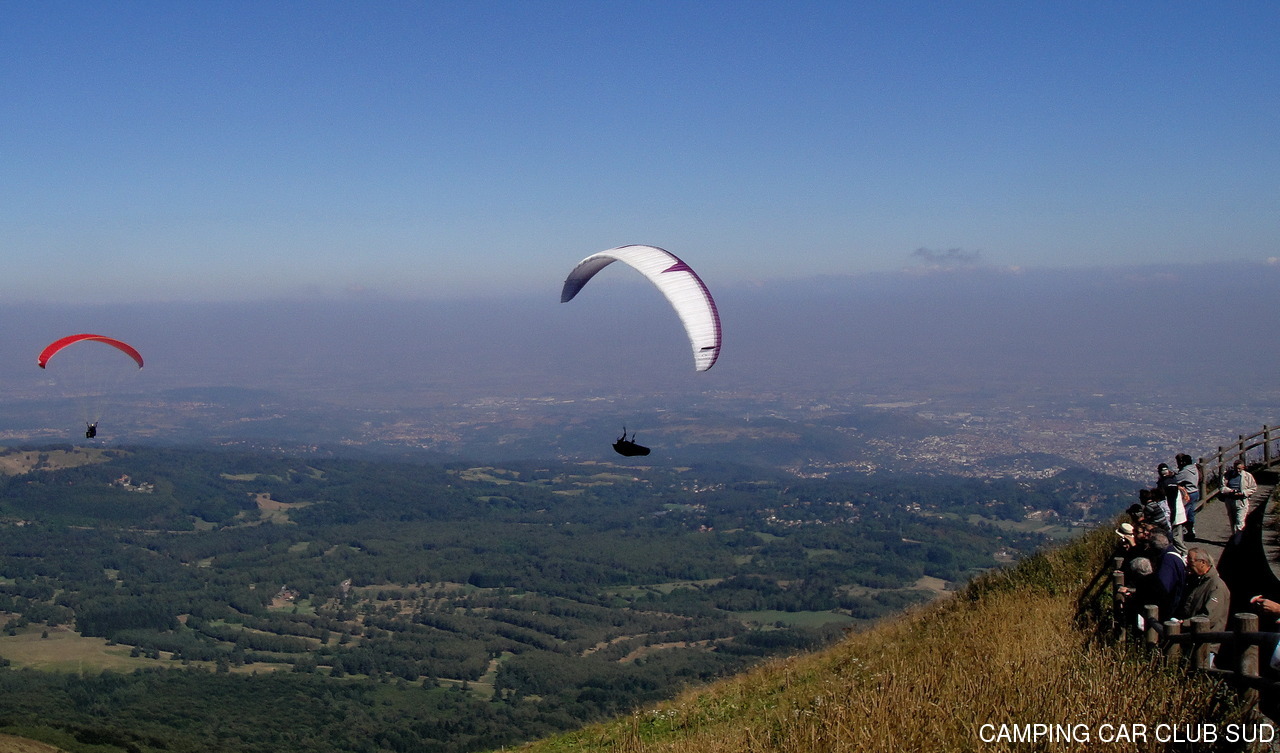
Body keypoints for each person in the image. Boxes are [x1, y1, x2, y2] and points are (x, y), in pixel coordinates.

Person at [1174, 548, 1230, 632]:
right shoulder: (1196, 580)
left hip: (1207, 637)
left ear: (1202, 563)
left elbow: (1209, 618)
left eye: (1191, 562)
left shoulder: (1217, 587)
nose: (1187, 566)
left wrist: (1184, 623)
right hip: (1192, 633)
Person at [1221, 460, 1257, 532]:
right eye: (1236, 468)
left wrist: (1243, 493)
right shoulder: (1228, 475)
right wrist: (1230, 491)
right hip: (1230, 500)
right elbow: (1222, 487)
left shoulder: (1248, 476)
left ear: (1243, 467)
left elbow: (1253, 488)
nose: (1237, 470)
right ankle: (1235, 536)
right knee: (1232, 521)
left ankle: (1238, 537)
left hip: (1241, 501)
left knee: (1240, 521)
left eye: (1239, 469)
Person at [1175, 453, 1201, 540]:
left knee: (1183, 513)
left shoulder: (1185, 471)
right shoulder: (1194, 468)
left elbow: (1176, 479)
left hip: (1188, 494)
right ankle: (1191, 531)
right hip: (1195, 492)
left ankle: (1181, 533)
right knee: (1191, 513)